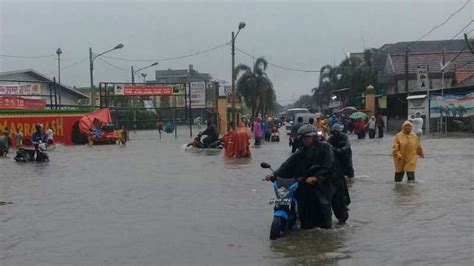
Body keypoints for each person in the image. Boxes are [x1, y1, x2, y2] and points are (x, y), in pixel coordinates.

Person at [265, 124, 348, 228]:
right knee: (304, 205)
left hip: (328, 180)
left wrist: (316, 177)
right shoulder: (301, 152)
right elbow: (287, 165)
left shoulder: (325, 147)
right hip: (308, 182)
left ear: (314, 137)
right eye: (304, 138)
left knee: (329, 206)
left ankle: (329, 227)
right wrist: (273, 174)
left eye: (308, 137)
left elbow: (329, 164)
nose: (306, 140)